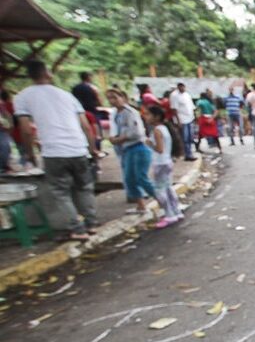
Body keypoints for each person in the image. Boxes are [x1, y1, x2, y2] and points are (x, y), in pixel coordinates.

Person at [13, 61, 99, 241]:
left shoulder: (22, 97)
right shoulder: (66, 95)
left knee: (61, 192)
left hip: (54, 151)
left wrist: (29, 154)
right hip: (78, 148)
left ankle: (77, 228)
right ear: (48, 73)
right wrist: (92, 149)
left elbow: (26, 130)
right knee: (84, 187)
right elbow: (86, 126)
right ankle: (91, 224)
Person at [107, 89, 156, 217]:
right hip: (127, 149)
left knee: (141, 178)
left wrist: (118, 139)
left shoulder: (130, 113)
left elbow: (136, 132)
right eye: (109, 98)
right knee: (129, 179)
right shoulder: (115, 114)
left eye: (114, 97)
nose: (112, 101)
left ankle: (164, 201)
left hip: (138, 147)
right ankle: (141, 205)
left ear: (123, 97)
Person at [144, 105, 184, 228]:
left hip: (160, 163)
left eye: (148, 114)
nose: (146, 117)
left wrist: (149, 144)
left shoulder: (156, 131)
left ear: (156, 117)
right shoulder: (164, 128)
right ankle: (176, 211)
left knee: (160, 190)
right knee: (168, 188)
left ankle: (169, 215)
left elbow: (159, 149)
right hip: (167, 161)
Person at [71, 71, 105, 152]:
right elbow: (99, 101)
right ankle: (97, 150)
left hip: (80, 113)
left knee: (82, 131)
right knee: (96, 132)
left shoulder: (75, 88)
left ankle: (87, 150)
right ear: (89, 77)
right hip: (92, 112)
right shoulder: (92, 88)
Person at [166, 82, 197, 159]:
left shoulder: (187, 95)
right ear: (178, 87)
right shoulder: (174, 96)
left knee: (190, 137)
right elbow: (174, 109)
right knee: (185, 138)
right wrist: (178, 121)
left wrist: (194, 116)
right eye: (181, 87)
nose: (183, 88)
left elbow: (191, 107)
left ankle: (189, 152)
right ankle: (187, 154)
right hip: (182, 119)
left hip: (190, 118)